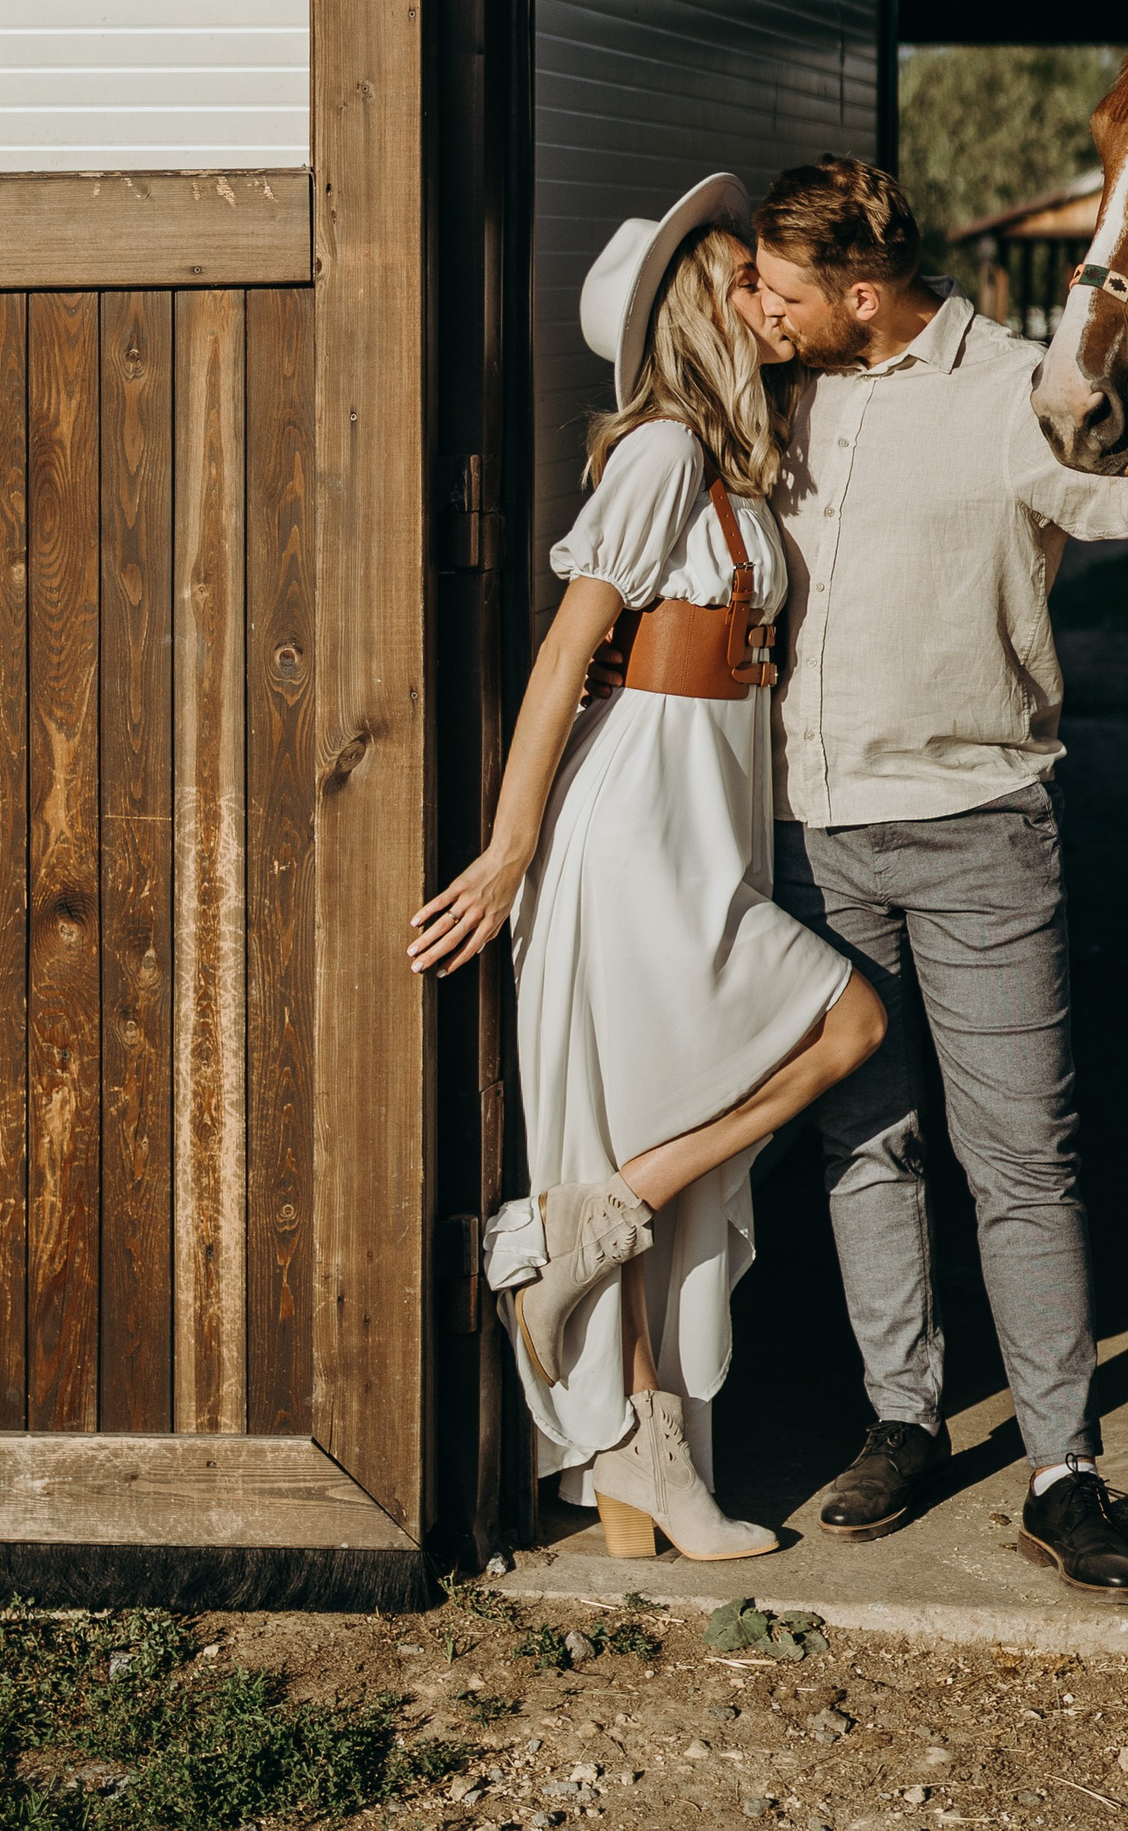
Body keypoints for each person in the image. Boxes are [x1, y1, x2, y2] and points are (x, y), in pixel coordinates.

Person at [748, 154, 1128, 1601]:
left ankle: (1063, 1472)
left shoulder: (1013, 388)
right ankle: (903, 1419)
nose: (759, 309)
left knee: (1020, 1162)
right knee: (866, 1140)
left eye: (782, 289)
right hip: (818, 830)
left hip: (979, 824)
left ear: (859, 293)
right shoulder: (788, 390)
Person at [410, 173, 888, 1562]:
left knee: (656, 1121)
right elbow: (570, 650)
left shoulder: (731, 458)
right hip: (634, 823)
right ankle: (598, 1286)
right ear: (696, 303)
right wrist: (509, 848)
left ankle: (636, 1436)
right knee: (847, 1022)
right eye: (743, 277)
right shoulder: (663, 453)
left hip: (708, 815)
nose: (764, 295)